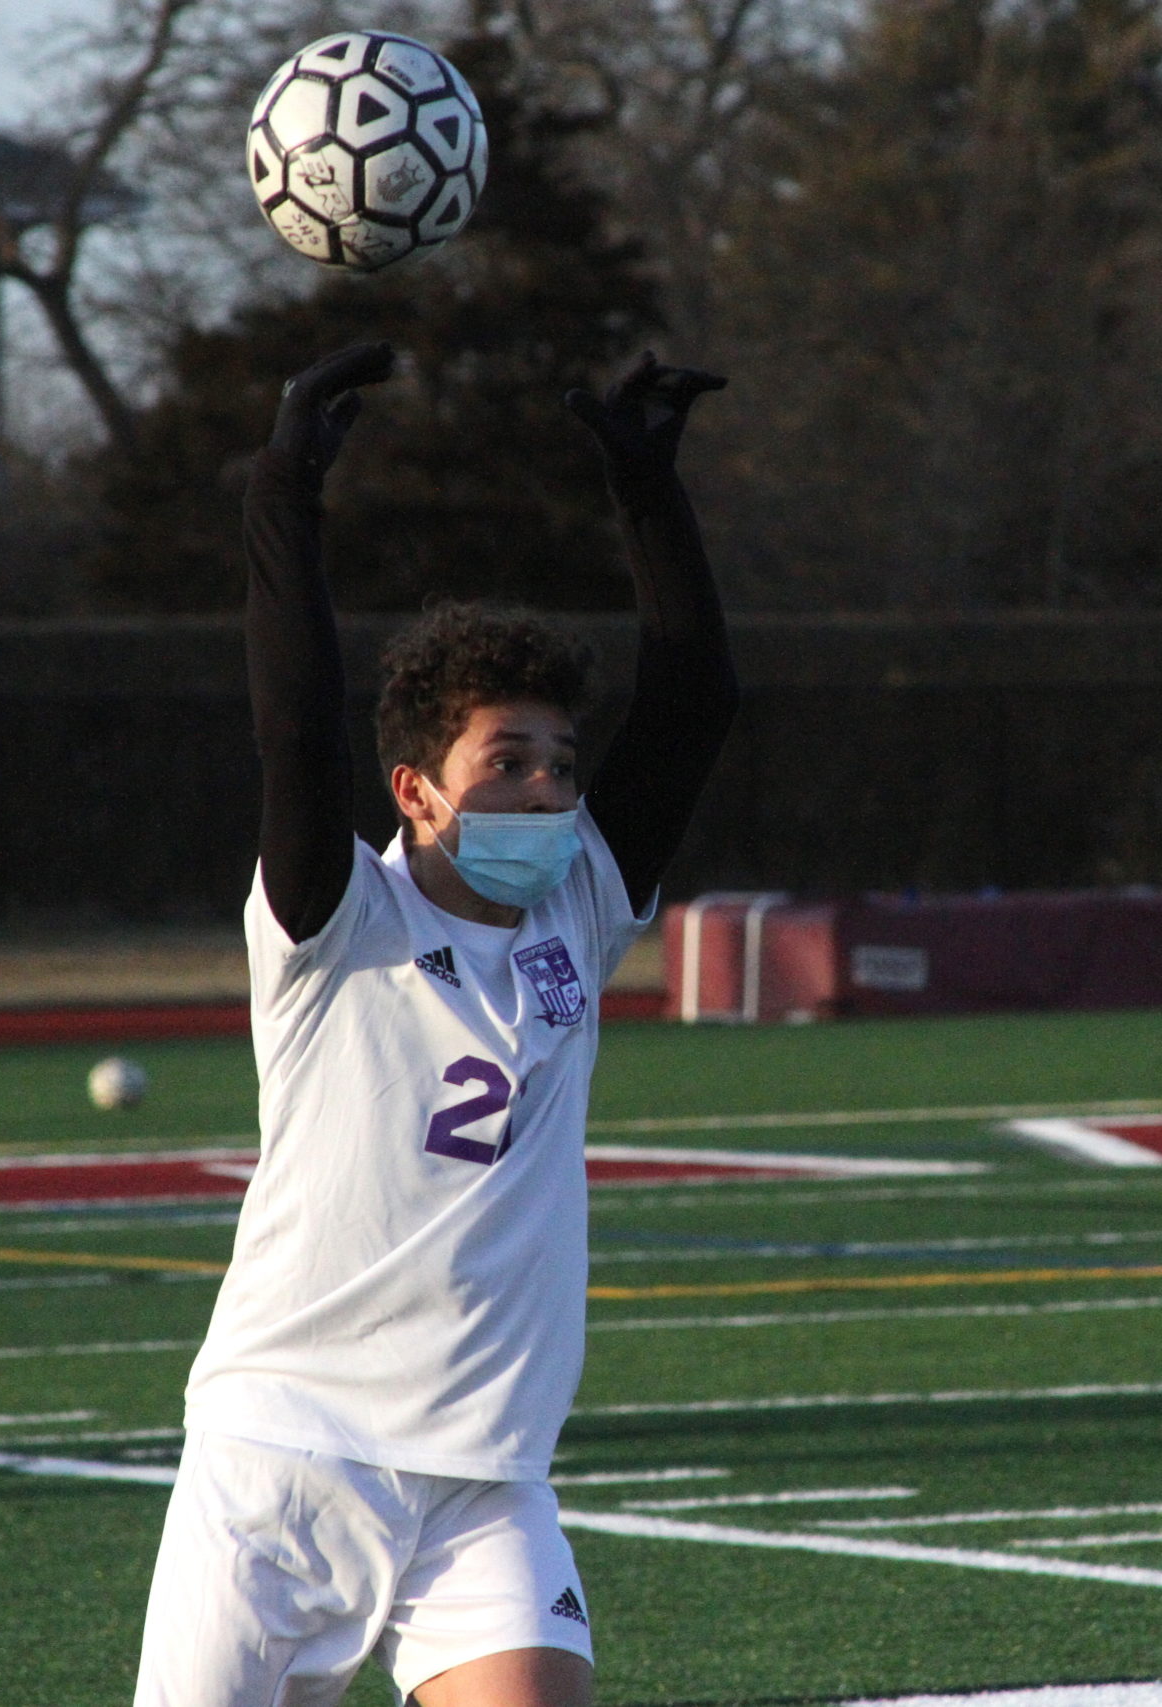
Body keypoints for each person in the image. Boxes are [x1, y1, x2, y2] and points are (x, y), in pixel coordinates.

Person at [134, 341, 737, 1707]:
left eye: (561, 764)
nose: (546, 789)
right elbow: (294, 729)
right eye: (507, 762)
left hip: (486, 1482)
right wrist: (284, 490)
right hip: (286, 1461)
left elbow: (697, 700)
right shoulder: (334, 923)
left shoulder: (579, 902)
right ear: (414, 789)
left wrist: (646, 490)